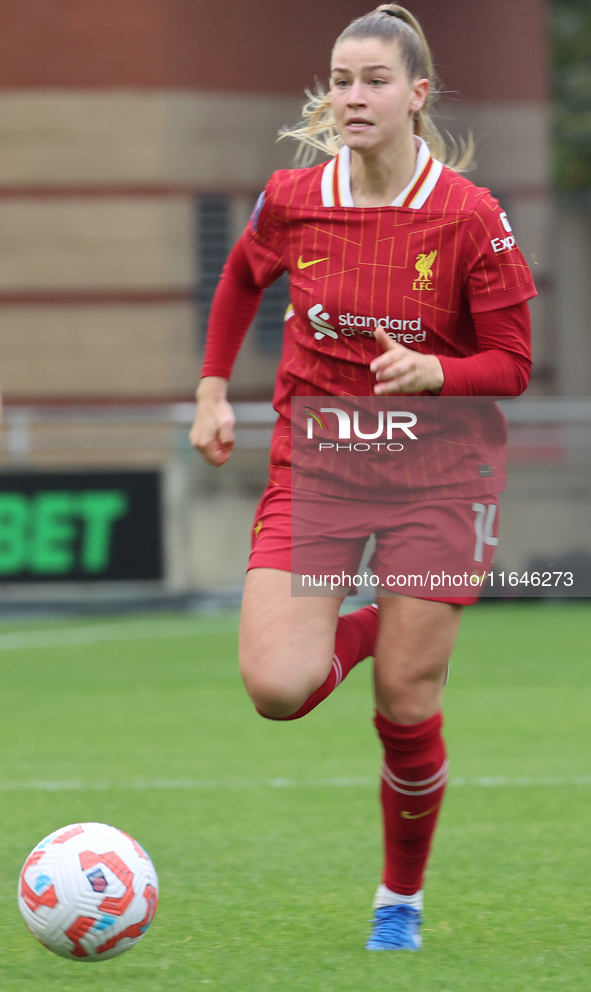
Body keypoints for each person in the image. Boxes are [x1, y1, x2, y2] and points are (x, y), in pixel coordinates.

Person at [190, 4, 536, 951]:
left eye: (373, 80)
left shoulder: (471, 217)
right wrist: (214, 389)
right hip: (323, 467)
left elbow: (511, 362)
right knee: (277, 686)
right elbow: (239, 277)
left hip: (439, 475)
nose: (351, 96)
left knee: (406, 702)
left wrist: (434, 369)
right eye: (339, 80)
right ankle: (394, 617)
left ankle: (399, 901)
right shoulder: (294, 195)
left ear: (417, 96)